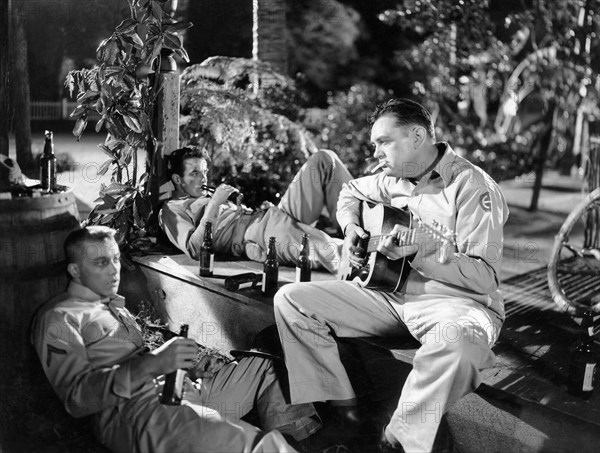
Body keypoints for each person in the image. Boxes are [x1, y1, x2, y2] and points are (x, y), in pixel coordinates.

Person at [273, 98, 509, 452]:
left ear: (417, 137)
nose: (377, 152)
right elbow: (350, 193)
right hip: (392, 296)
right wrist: (351, 225)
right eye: (375, 145)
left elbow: (485, 277)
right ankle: (345, 415)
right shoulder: (391, 179)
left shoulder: (472, 186)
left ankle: (395, 442)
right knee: (291, 299)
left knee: (458, 344)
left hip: (455, 304)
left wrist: (424, 253)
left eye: (384, 142)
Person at [31, 226, 321, 453]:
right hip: (135, 415)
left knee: (267, 368)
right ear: (75, 270)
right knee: (254, 446)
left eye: (116, 260)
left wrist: (186, 369)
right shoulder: (60, 317)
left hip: (179, 389)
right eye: (100, 262)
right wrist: (156, 363)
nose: (113, 270)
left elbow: (146, 363)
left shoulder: (111, 305)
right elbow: (78, 400)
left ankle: (301, 442)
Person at [159, 147, 353, 274]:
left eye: (205, 172)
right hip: (260, 235)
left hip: (271, 217)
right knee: (336, 251)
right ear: (177, 179)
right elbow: (194, 248)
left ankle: (363, 222)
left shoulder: (206, 195)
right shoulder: (171, 209)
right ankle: (370, 254)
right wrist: (215, 204)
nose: (203, 179)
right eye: (195, 173)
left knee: (324, 160)